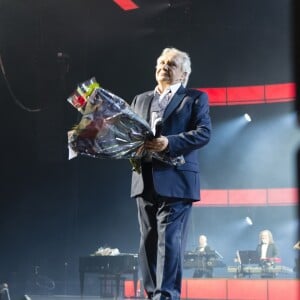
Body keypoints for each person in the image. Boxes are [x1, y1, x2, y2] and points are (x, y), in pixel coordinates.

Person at [130, 47, 211, 300]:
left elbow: (204, 133)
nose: (164, 67)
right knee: (148, 244)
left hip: (177, 180)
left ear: (184, 73)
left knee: (170, 242)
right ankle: (153, 294)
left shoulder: (195, 98)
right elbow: (129, 135)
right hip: (144, 179)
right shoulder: (140, 99)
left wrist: (170, 142)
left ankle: (166, 296)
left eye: (172, 64)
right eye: (162, 62)